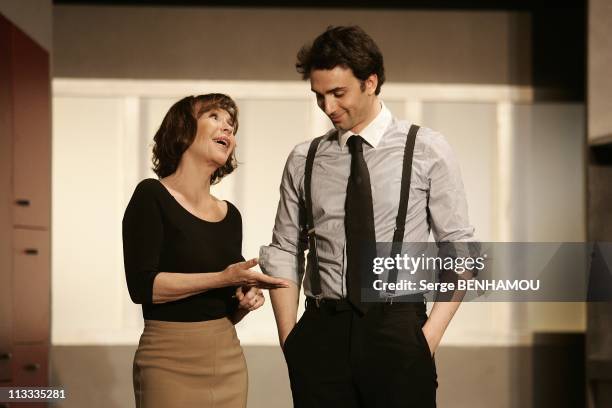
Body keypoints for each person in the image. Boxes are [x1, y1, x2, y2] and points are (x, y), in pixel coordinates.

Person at [259, 26, 476, 407]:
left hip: (397, 328)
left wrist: (426, 340)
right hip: (321, 332)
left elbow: (459, 252)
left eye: (338, 93)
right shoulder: (304, 158)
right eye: (318, 96)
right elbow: (285, 249)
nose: (328, 107)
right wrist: (290, 338)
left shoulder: (425, 149)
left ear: (370, 82)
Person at [122, 93, 288, 408]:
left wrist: (244, 300)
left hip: (227, 359)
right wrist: (220, 279)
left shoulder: (231, 214)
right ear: (183, 129)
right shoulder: (151, 195)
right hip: (167, 361)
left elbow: (223, 307)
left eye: (232, 125)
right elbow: (142, 287)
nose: (227, 129)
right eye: (214, 117)